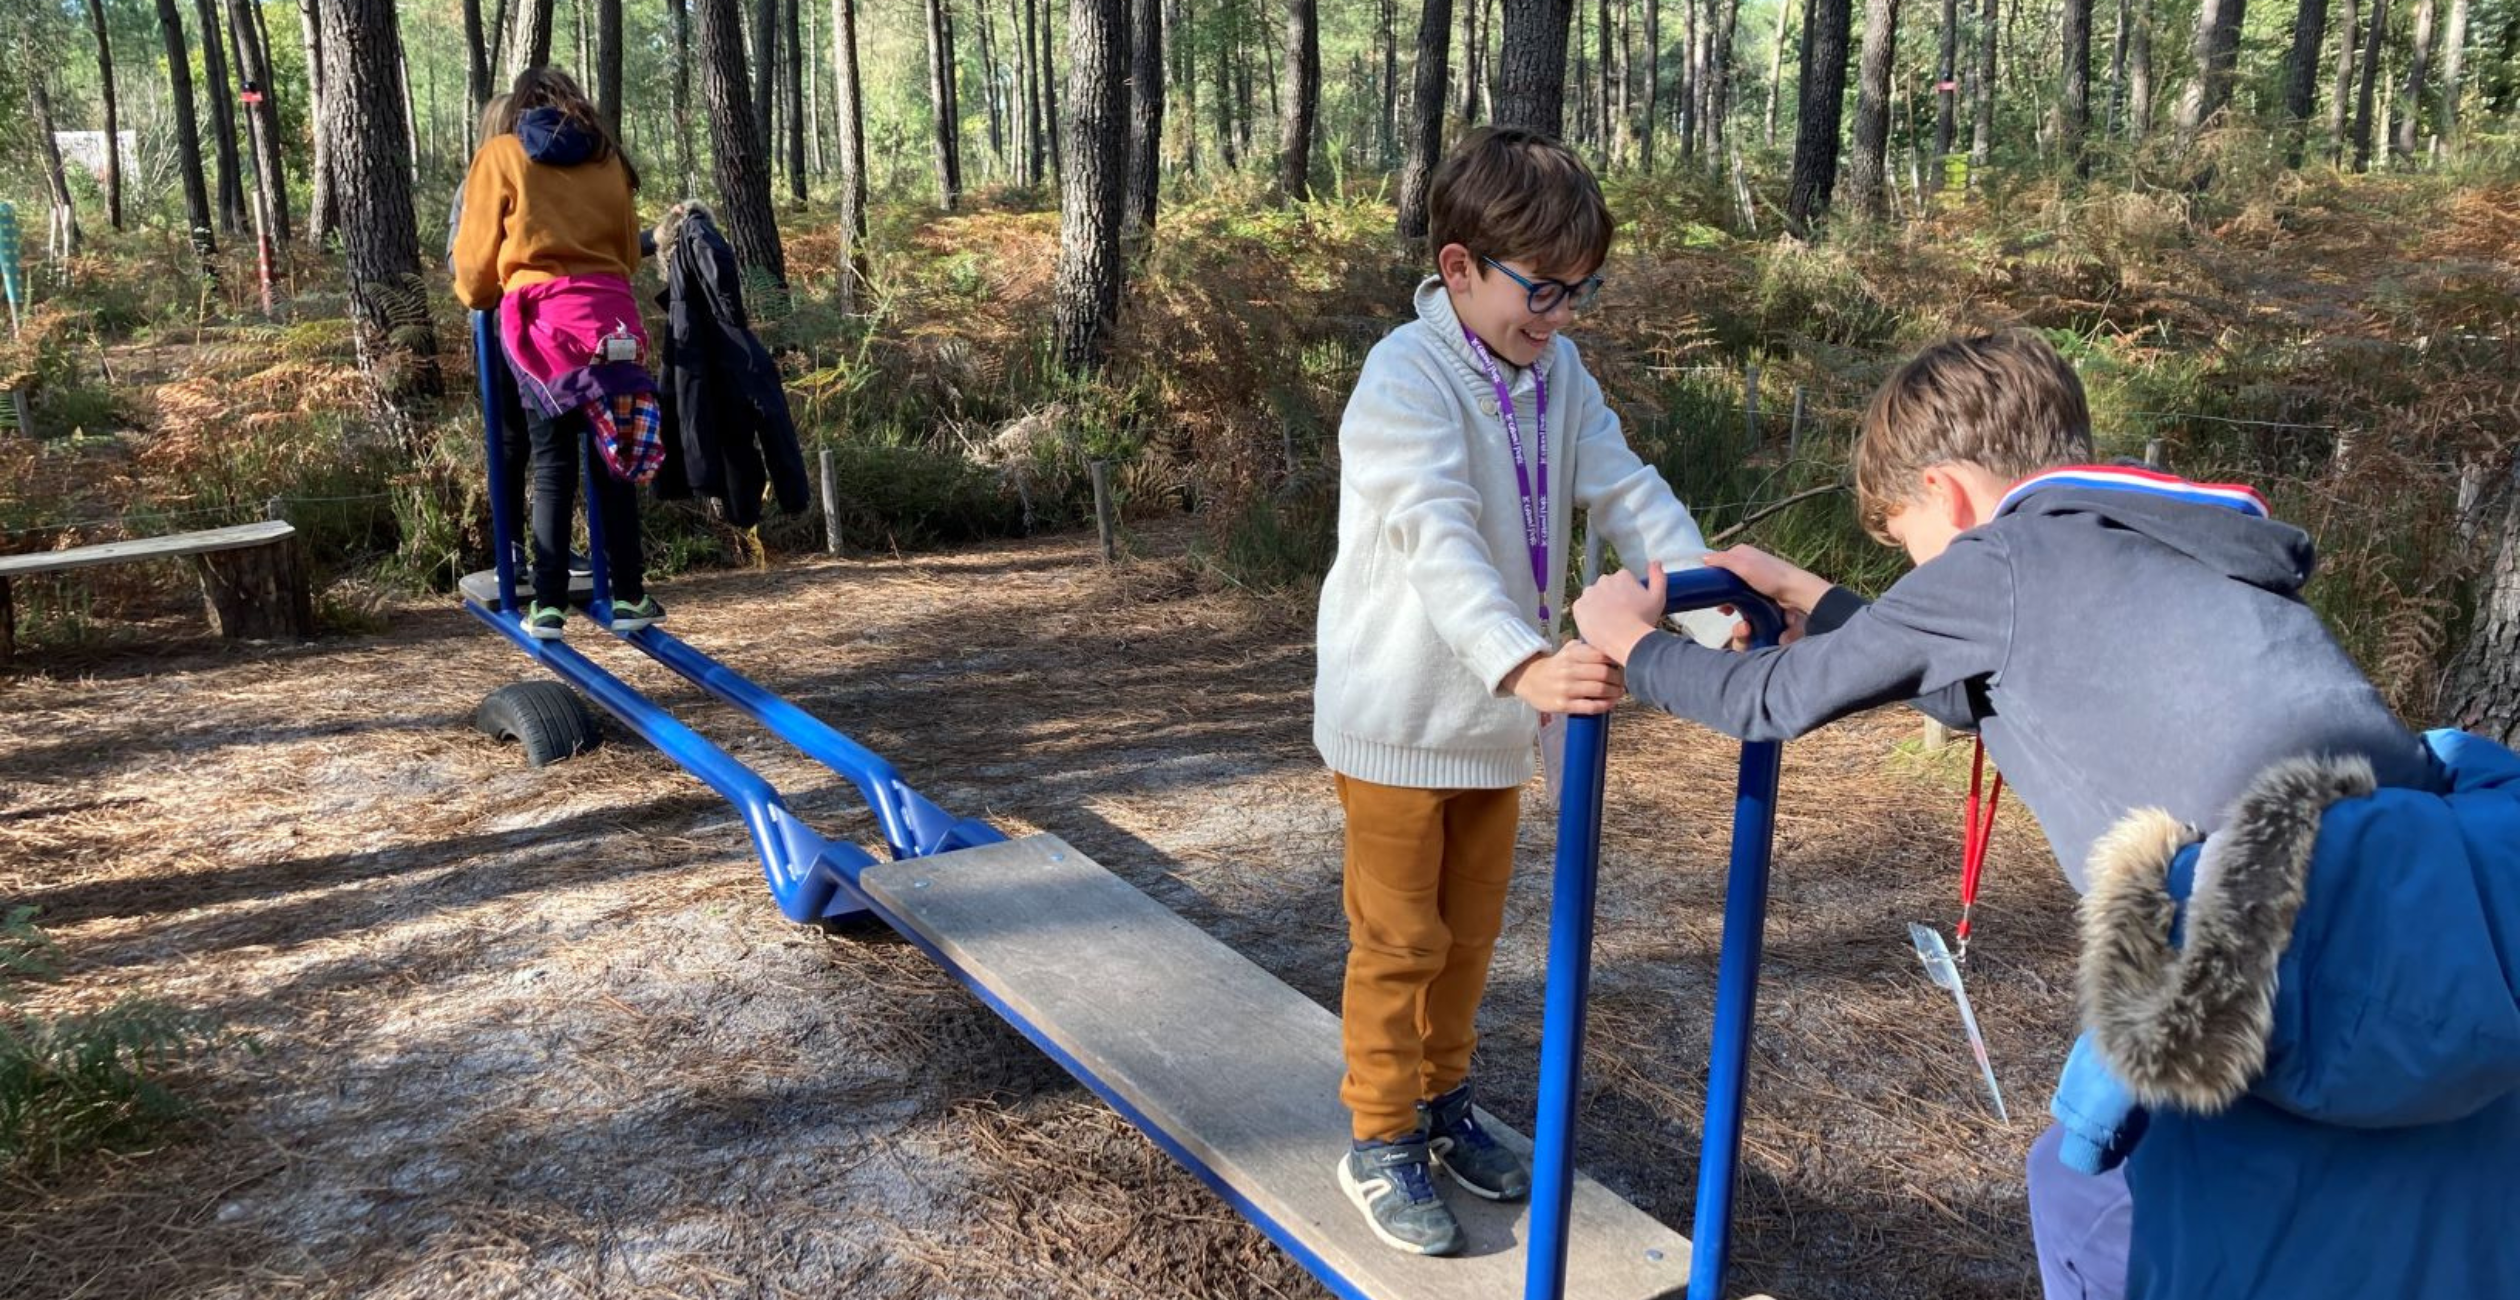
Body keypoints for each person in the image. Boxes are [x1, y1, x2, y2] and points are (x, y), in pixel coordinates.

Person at [1571, 330, 2520, 1299]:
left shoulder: (2000, 559)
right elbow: (1977, 682)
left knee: (2085, 1202)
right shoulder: (2151, 537)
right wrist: (1820, 600)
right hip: (2427, 912)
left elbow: (1766, 700)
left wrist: (1626, 641)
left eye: (1909, 547)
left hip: (2273, 945)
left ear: (1944, 493)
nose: (1920, 575)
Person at [1314, 125, 1732, 1257]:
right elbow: (1435, 536)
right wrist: (1524, 657)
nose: (1558, 315)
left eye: (1578, 292)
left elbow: (1627, 492)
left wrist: (1710, 600)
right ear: (1460, 268)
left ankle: (1442, 1103)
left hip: (1497, 719)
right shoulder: (1405, 377)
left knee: (1469, 936)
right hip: (1401, 715)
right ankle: (1379, 1133)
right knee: (1399, 938)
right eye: (1541, 290)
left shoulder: (1559, 375)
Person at [452, 66, 661, 639]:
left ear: (521, 108)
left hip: (541, 323)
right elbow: (627, 252)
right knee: (611, 455)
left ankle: (546, 605)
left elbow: (474, 274)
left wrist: (491, 289)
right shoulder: (607, 158)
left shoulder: (501, 154)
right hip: (611, 318)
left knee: (552, 462)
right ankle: (630, 596)